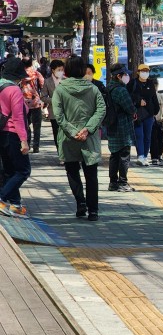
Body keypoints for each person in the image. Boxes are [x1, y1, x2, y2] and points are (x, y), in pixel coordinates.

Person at [52, 55, 106, 221]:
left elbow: (58, 115)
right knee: (91, 174)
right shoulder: (92, 88)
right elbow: (101, 109)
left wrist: (73, 130)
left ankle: (80, 204)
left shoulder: (60, 89)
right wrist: (87, 130)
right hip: (89, 138)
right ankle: (94, 210)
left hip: (69, 138)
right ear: (83, 70)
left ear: (66, 70)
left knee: (72, 172)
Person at [0, 58, 31, 218]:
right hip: (13, 134)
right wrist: (24, 140)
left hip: (1, 134)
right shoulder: (14, 90)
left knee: (10, 171)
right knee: (23, 170)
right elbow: (18, 118)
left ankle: (16, 205)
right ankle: (2, 197)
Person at [105, 63, 137, 192]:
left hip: (111, 124)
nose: (127, 76)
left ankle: (113, 183)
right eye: (124, 74)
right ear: (118, 76)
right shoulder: (120, 90)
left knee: (114, 155)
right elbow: (129, 108)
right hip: (122, 126)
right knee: (124, 154)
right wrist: (134, 111)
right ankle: (123, 182)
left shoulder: (109, 88)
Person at [127, 63, 159, 166]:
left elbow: (154, 97)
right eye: (142, 71)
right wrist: (137, 101)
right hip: (137, 113)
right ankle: (140, 155)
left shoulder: (150, 83)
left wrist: (155, 111)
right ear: (138, 72)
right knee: (139, 135)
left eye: (147, 71)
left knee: (147, 136)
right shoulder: (133, 83)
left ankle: (145, 156)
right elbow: (128, 97)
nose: (145, 73)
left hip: (149, 114)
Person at [20, 57, 44, 153]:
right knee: (37, 125)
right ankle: (36, 146)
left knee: (25, 124)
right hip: (35, 102)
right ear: (31, 63)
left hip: (23, 102)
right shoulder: (36, 73)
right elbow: (42, 84)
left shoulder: (20, 74)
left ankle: (27, 143)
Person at [41, 59, 65, 148]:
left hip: (67, 111)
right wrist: (54, 100)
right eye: (59, 70)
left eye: (62, 70)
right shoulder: (47, 81)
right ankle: (60, 154)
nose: (61, 72)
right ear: (53, 70)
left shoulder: (67, 80)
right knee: (56, 133)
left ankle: (67, 153)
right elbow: (43, 97)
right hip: (54, 112)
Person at [149, 76, 163, 165]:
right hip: (154, 120)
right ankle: (156, 156)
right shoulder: (150, 96)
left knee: (158, 139)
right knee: (155, 139)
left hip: (159, 120)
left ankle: (157, 155)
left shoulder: (161, 97)